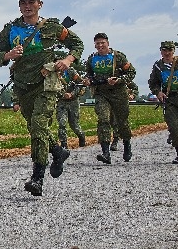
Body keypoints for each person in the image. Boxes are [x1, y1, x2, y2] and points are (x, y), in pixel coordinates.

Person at [0, 0, 84, 196]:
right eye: (23, 2)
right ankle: (58, 151)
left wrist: (67, 60)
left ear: (40, 4)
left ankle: (38, 177)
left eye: (31, 2)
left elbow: (77, 44)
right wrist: (9, 54)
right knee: (35, 128)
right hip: (23, 86)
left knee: (40, 125)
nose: (27, 5)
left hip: (46, 84)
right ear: (19, 5)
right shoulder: (11, 29)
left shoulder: (52, 27)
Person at [83, 33, 136, 164]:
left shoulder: (118, 57)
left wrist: (119, 80)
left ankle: (127, 145)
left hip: (119, 93)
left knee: (122, 121)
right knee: (103, 119)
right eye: (97, 43)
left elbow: (131, 72)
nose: (100, 46)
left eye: (102, 43)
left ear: (108, 43)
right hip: (101, 93)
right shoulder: (92, 59)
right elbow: (89, 74)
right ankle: (106, 152)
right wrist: (88, 80)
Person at [56, 66, 87, 149]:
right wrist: (61, 95)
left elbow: (81, 84)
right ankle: (63, 144)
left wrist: (72, 94)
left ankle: (81, 136)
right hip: (61, 102)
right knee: (62, 123)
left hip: (73, 101)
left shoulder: (70, 71)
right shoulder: (52, 73)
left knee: (74, 125)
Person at [110, 80, 139, 151]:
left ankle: (119, 140)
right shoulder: (107, 79)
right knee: (112, 120)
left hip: (122, 102)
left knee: (121, 122)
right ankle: (114, 139)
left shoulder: (124, 79)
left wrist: (133, 95)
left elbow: (135, 88)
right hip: (110, 102)